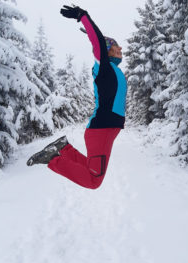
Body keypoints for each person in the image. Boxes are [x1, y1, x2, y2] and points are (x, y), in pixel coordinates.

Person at [26, 5, 127, 189]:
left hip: (104, 130)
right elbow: (97, 41)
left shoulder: (114, 70)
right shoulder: (103, 68)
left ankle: (64, 149)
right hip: (101, 129)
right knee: (93, 180)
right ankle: (53, 159)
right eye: (114, 45)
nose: (120, 47)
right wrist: (83, 16)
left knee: (92, 169)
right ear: (105, 51)